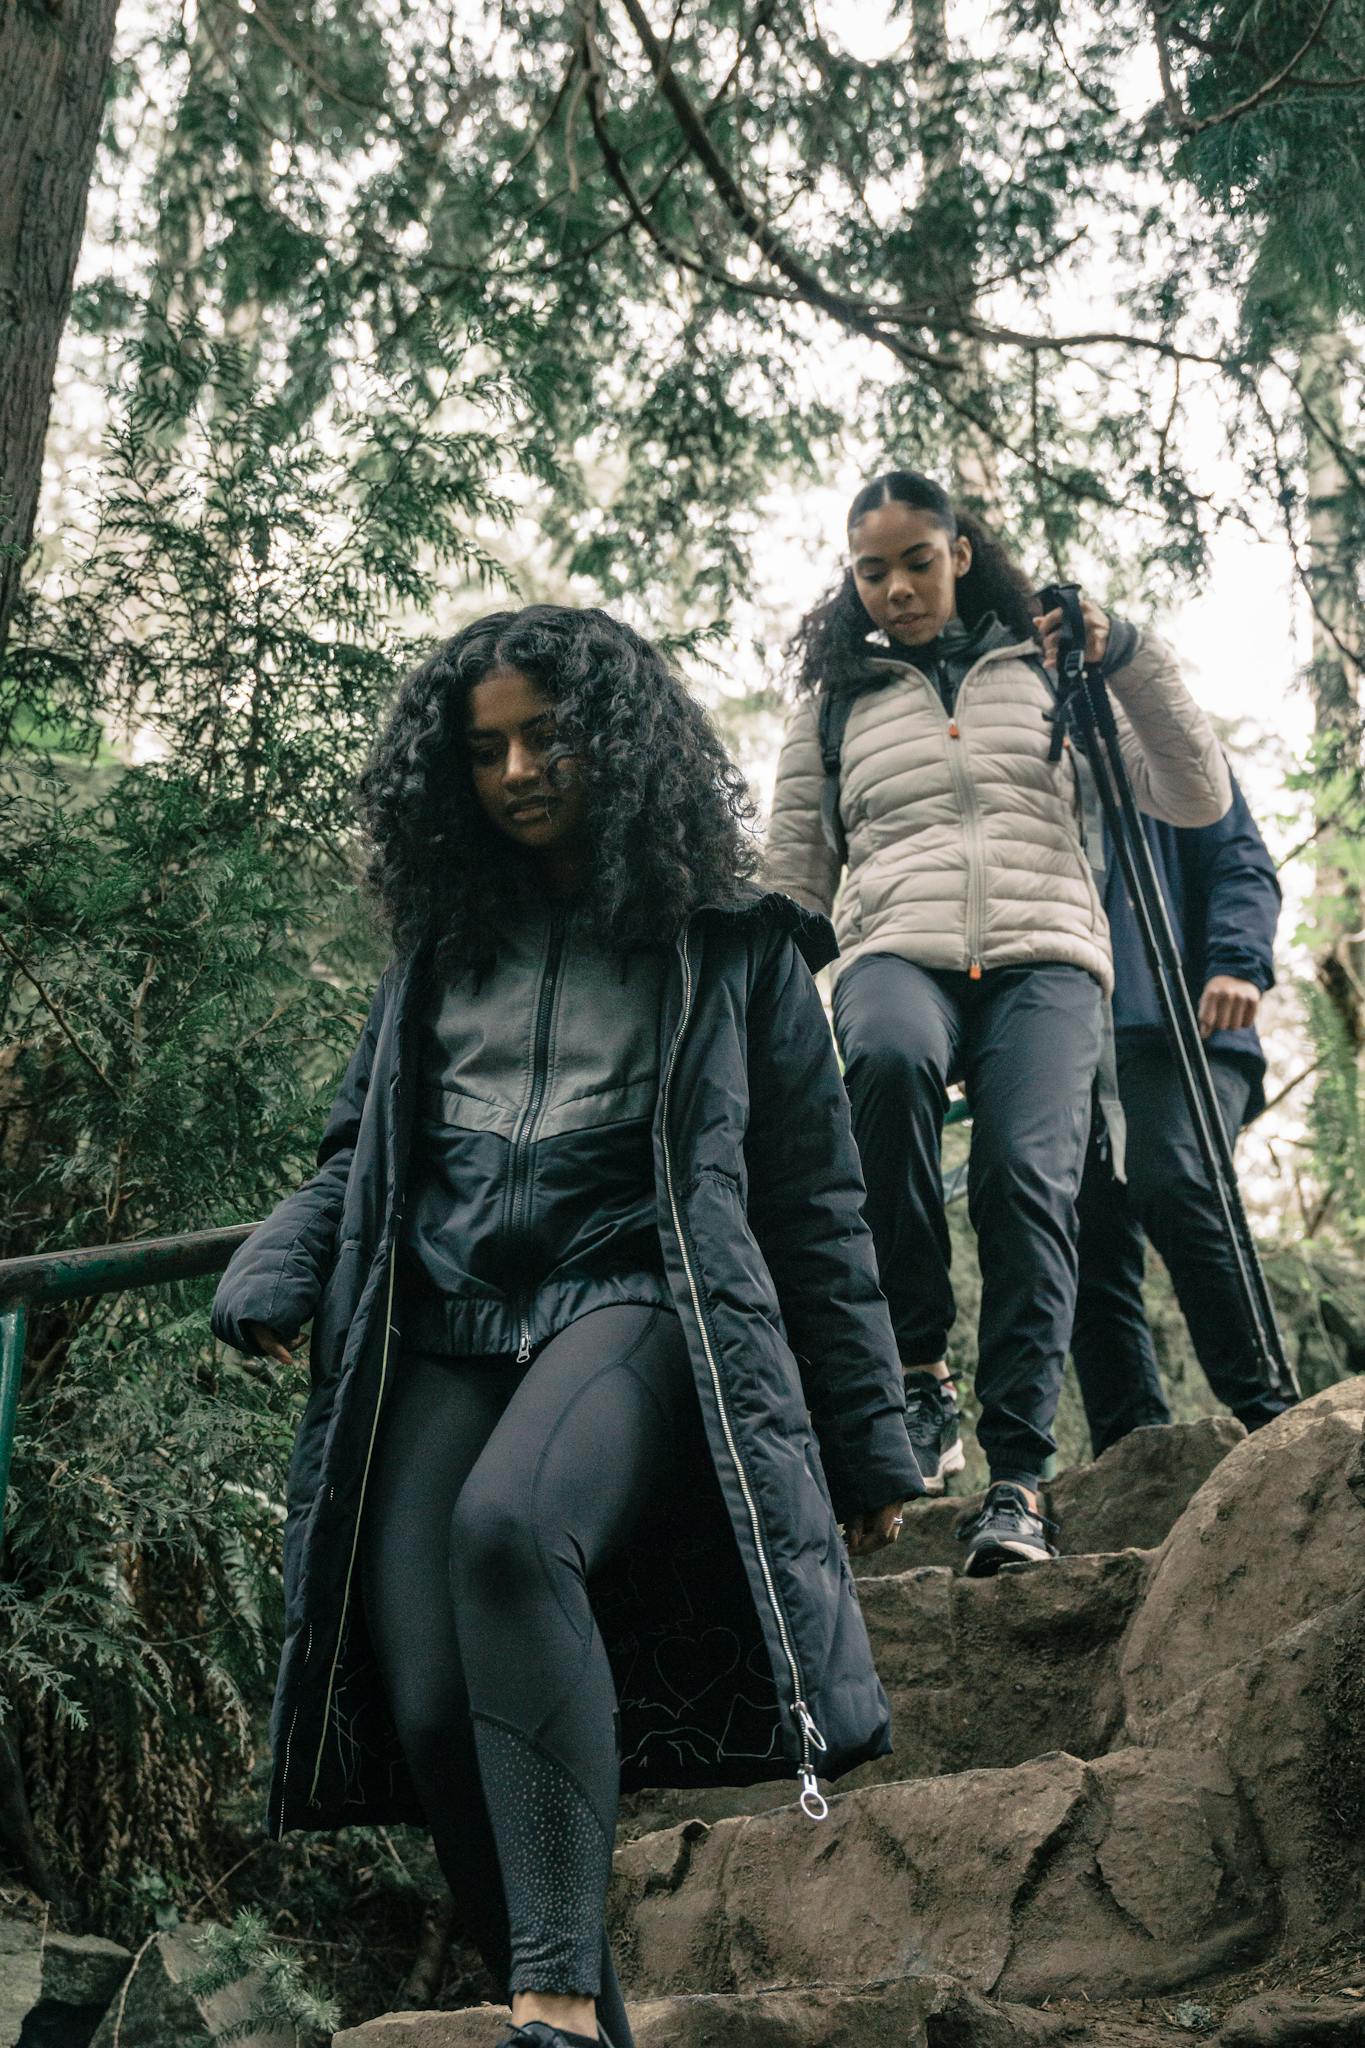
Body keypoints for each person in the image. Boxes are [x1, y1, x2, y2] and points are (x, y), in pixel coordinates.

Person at [211, 604, 923, 2048]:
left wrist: (867, 1450)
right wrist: (281, 1264)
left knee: (507, 1531)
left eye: (550, 735)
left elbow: (815, 1209)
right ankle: (578, 2018)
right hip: (447, 1318)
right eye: (487, 750)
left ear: (626, 742)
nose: (521, 768)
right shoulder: (439, 940)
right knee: (423, 1700)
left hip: (637, 1295)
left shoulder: (733, 944)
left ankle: (541, 1999)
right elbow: (364, 1149)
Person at [765, 469, 1232, 1575]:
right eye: (870, 570)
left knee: (1026, 1175)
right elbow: (793, 874)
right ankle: (918, 1372)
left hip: (1045, 957)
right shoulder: (834, 702)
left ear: (959, 550)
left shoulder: (1054, 675)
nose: (895, 589)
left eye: (916, 561)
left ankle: (1019, 1478)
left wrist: (1125, 655)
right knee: (881, 1054)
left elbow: (1196, 792)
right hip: (896, 949)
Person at [1070, 767, 1296, 1452]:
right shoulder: (1020, 739)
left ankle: (1273, 1420)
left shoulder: (1152, 733)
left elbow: (1240, 860)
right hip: (1065, 1032)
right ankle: (1130, 1450)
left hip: (1183, 1021)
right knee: (1079, 1234)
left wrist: (1235, 961)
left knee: (1173, 1178)